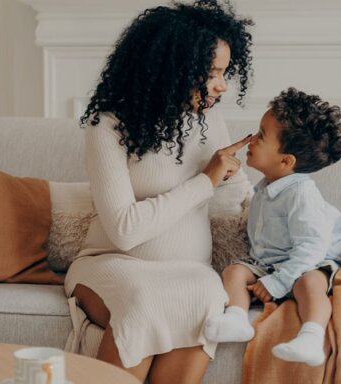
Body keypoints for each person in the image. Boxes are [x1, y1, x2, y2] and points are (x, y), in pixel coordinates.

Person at [64, 1, 254, 382]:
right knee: (146, 300)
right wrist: (205, 181)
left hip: (189, 271)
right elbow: (124, 230)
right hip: (112, 263)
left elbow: (236, 198)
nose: (222, 85)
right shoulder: (109, 126)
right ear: (174, 68)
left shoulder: (208, 118)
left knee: (205, 295)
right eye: (213, 73)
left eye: (225, 72)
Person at [204, 87, 341, 367]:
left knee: (310, 284)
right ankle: (236, 318)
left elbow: (311, 247)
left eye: (261, 136)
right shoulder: (266, 188)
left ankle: (311, 336)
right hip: (269, 262)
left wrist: (281, 281)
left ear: (285, 161)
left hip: (309, 262)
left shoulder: (301, 194)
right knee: (234, 271)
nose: (252, 140)